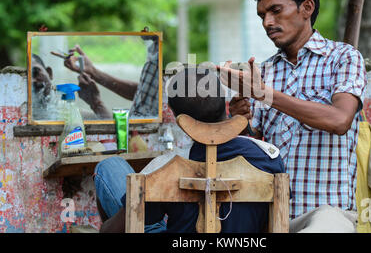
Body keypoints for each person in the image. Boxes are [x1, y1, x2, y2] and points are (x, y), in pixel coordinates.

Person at [217, 0, 367, 232]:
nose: (267, 22)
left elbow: (340, 120)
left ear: (306, 8)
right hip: (272, 214)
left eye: (276, 10)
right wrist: (240, 119)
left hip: (327, 213)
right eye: (262, 15)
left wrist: (265, 94)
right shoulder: (265, 72)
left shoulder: (343, 57)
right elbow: (257, 149)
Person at [93, 67, 286, 233]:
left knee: (110, 166)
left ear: (179, 117)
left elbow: (121, 227)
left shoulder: (164, 168)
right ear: (223, 104)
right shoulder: (269, 156)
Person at [63, 32, 159, 119]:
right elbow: (144, 94)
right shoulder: (156, 49)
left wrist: (96, 103)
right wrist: (93, 72)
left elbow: (126, 134)